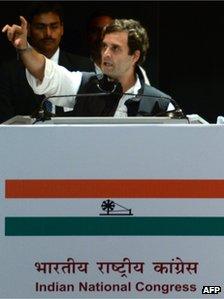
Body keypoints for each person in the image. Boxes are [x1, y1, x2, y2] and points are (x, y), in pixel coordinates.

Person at [2, 17, 176, 118]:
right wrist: (24, 48)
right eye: (104, 46)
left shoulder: (161, 104)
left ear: (135, 56)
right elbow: (47, 72)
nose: (106, 54)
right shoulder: (84, 85)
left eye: (115, 48)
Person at [0, 2, 94, 123]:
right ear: (28, 30)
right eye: (40, 27)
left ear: (62, 29)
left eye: (54, 26)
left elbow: (90, 114)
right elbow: (6, 123)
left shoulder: (83, 66)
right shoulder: (9, 72)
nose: (48, 33)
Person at [86, 11, 150, 84]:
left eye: (107, 30)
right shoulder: (76, 72)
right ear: (87, 35)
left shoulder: (137, 73)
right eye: (95, 31)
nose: (101, 36)